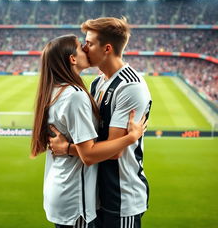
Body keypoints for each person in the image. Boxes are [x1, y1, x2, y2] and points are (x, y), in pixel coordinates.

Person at [31, 34, 147, 228]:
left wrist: (66, 147)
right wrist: (132, 137)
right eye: (81, 46)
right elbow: (89, 154)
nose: (85, 48)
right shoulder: (75, 95)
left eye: (88, 43)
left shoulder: (56, 90)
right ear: (72, 59)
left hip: (61, 190)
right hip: (74, 199)